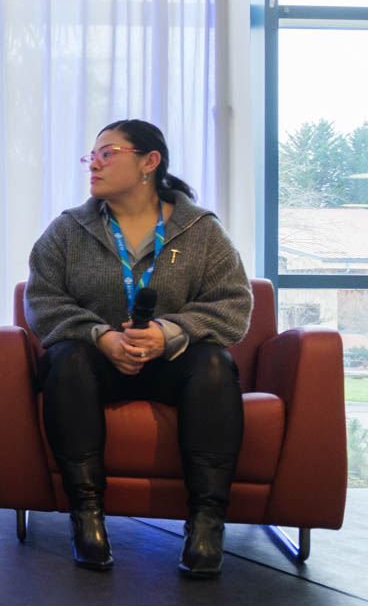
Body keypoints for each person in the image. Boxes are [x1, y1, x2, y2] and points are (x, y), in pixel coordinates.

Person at [25, 119, 251, 577]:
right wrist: (101, 336)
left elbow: (234, 303)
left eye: (107, 153)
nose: (95, 164)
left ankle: (207, 524)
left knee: (214, 364)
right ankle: (87, 518)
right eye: (92, 156)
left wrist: (169, 332)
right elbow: (42, 299)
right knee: (65, 360)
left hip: (174, 364)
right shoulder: (68, 229)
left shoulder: (201, 230)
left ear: (150, 162)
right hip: (97, 364)